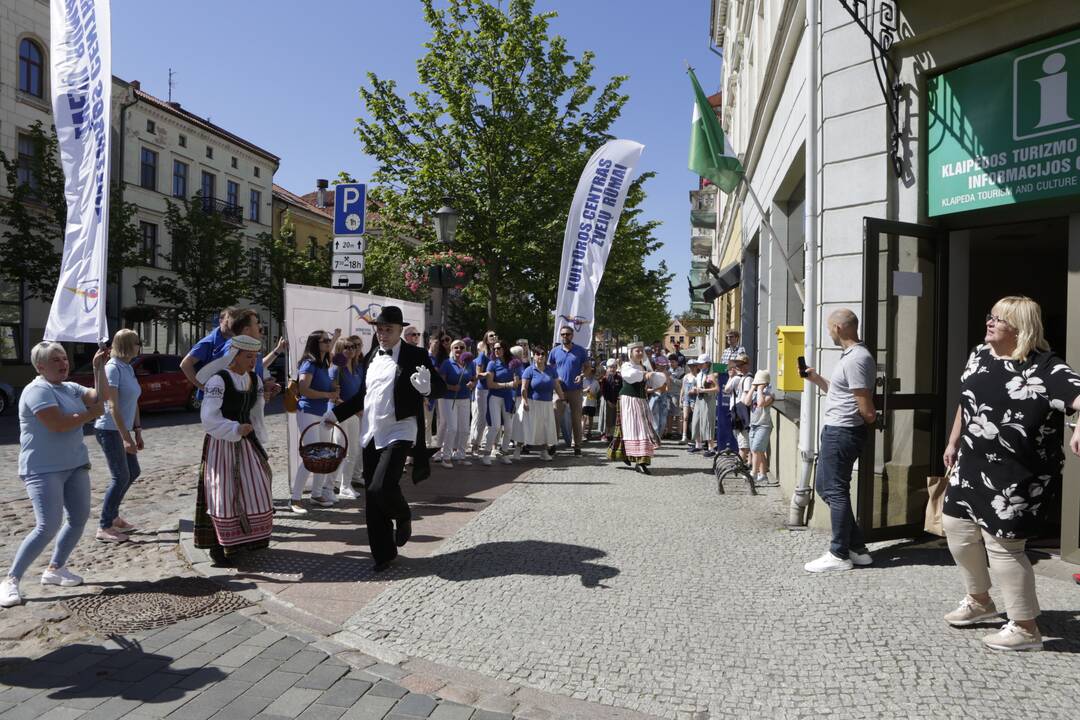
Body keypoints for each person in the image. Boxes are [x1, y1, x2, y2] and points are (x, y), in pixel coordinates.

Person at [940, 296, 1080, 651]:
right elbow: (966, 401)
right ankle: (980, 601)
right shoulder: (979, 355)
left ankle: (1025, 627)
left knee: (1003, 546)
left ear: (1021, 328)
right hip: (971, 465)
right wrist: (953, 441)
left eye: (999, 319)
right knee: (956, 528)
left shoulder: (1046, 368)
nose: (989, 323)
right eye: (990, 316)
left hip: (1018, 474)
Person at [326, 306, 446, 572]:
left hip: (400, 429)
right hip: (371, 430)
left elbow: (440, 386)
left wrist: (426, 388)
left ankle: (403, 515)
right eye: (379, 329)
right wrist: (335, 414)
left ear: (400, 330)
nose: (382, 334)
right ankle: (383, 554)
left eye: (388, 329)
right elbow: (362, 398)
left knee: (382, 487)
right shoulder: (371, 355)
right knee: (372, 496)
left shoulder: (416, 354)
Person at [1, 343, 107, 608]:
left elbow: (101, 398)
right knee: (47, 525)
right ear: (40, 367)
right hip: (42, 468)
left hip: (74, 464)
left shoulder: (69, 387)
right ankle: (10, 580)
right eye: (55, 360)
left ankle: (55, 569)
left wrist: (98, 368)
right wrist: (88, 415)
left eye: (64, 358)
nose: (63, 363)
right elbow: (57, 424)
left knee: (79, 518)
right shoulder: (37, 390)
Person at [803, 308, 877, 573]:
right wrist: (816, 379)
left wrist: (870, 419)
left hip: (843, 431)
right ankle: (857, 548)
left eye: (828, 327)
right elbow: (842, 392)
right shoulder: (850, 356)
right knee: (826, 488)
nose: (828, 332)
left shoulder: (857, 358)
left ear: (837, 328)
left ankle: (838, 553)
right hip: (837, 429)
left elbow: (864, 404)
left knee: (835, 490)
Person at [194, 336, 272, 566]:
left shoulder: (253, 379)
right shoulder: (218, 381)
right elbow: (208, 417)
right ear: (233, 355)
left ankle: (247, 539)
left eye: (255, 356)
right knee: (223, 491)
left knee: (256, 484)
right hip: (222, 442)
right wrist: (235, 428)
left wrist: (256, 433)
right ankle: (221, 547)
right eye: (248, 356)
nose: (253, 361)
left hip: (246, 441)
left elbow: (256, 411)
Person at [94, 329, 143, 544]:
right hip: (110, 429)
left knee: (133, 471)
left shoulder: (128, 368)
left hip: (123, 429)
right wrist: (126, 437)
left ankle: (113, 516)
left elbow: (134, 401)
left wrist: (137, 430)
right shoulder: (112, 368)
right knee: (120, 476)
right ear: (125, 345)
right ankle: (104, 525)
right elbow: (112, 405)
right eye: (136, 342)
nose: (139, 345)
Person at [291, 330, 340, 513]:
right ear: (315, 344)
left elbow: (330, 352)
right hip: (308, 412)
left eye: (329, 341)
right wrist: (329, 394)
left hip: (322, 413)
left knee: (324, 455)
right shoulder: (309, 363)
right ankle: (295, 499)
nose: (329, 343)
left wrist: (334, 391)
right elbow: (303, 389)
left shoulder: (323, 363)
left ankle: (316, 494)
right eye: (325, 341)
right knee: (312, 455)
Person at [608, 342, 660, 474]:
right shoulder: (627, 365)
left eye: (642, 351)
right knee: (632, 429)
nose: (640, 353)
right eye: (637, 351)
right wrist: (644, 374)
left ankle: (638, 460)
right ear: (631, 352)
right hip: (629, 400)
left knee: (639, 429)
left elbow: (652, 379)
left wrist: (656, 379)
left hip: (641, 400)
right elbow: (630, 377)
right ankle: (637, 460)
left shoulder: (643, 365)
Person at [329, 336, 364, 499]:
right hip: (341, 414)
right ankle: (333, 485)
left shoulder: (358, 368)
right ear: (340, 350)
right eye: (347, 347)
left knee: (354, 449)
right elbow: (333, 396)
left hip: (355, 414)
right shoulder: (336, 369)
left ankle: (345, 484)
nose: (351, 350)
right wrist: (353, 409)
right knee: (341, 449)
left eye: (353, 347)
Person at [550, 326, 591, 456]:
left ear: (572, 335)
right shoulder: (555, 351)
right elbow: (550, 368)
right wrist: (555, 378)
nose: (565, 336)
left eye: (567, 334)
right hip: (559, 390)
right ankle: (553, 444)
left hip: (575, 390)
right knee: (555, 417)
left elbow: (588, 368)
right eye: (562, 334)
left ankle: (577, 445)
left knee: (576, 419)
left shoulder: (580, 350)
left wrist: (582, 376)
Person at [437, 339, 475, 468]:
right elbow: (441, 383)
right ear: (452, 350)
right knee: (452, 428)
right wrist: (452, 387)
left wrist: (472, 384)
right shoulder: (447, 363)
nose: (459, 350)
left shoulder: (470, 363)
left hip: (465, 398)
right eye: (456, 348)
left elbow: (473, 379)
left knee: (464, 429)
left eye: (462, 347)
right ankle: (446, 457)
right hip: (449, 399)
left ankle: (461, 455)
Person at [521, 346, 563, 461]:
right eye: (537, 354)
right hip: (532, 403)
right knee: (531, 428)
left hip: (547, 403)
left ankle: (544, 452)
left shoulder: (551, 370)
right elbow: (524, 387)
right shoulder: (529, 370)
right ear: (533, 356)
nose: (540, 356)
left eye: (543, 354)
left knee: (545, 428)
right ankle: (520, 448)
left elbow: (557, 385)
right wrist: (524, 401)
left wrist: (563, 398)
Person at [482, 341, 518, 466]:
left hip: (508, 398)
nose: (496, 350)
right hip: (495, 398)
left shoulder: (512, 363)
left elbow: (516, 381)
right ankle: (486, 453)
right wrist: (507, 384)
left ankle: (504, 452)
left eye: (499, 348)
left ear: (504, 349)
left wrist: (516, 379)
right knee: (496, 426)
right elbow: (490, 384)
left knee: (509, 428)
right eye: (495, 348)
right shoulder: (492, 364)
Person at [744, 369, 775, 487]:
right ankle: (763, 475)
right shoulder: (756, 393)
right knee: (758, 451)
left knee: (756, 449)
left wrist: (761, 389)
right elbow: (746, 402)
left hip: (764, 425)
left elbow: (761, 403)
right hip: (754, 425)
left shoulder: (770, 395)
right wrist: (753, 388)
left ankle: (754, 474)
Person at [469, 330, 498, 454]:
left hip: (494, 389)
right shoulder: (482, 355)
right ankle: (475, 445)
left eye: (495, 335)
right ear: (486, 339)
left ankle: (493, 446)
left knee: (493, 419)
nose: (494, 337)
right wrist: (487, 373)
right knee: (481, 419)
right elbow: (477, 375)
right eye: (491, 335)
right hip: (482, 390)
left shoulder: (497, 355)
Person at [723, 354, 752, 459]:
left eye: (740, 364)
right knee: (741, 440)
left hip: (742, 411)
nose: (738, 367)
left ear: (746, 365)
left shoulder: (745, 378)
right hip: (738, 410)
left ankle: (743, 464)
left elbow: (746, 399)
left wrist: (731, 377)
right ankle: (748, 463)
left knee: (743, 442)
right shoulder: (742, 377)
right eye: (737, 364)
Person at [691, 355, 719, 457]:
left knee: (708, 422)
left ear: (707, 363)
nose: (699, 365)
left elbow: (717, 389)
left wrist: (703, 390)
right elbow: (698, 387)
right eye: (699, 364)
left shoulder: (711, 375)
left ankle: (711, 448)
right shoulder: (699, 375)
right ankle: (698, 445)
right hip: (699, 399)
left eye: (701, 363)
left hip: (708, 400)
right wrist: (695, 389)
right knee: (696, 421)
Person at [647, 355, 671, 440]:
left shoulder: (666, 374)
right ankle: (655, 438)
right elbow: (647, 389)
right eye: (661, 365)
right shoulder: (652, 374)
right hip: (654, 397)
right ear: (656, 365)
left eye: (664, 365)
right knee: (654, 420)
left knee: (663, 420)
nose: (663, 366)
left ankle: (658, 437)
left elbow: (668, 388)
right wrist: (656, 390)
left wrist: (666, 378)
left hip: (664, 397)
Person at [598, 359, 621, 442]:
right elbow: (603, 391)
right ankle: (604, 434)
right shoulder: (604, 378)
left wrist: (617, 400)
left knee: (614, 418)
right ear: (607, 368)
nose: (612, 369)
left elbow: (620, 389)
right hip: (606, 401)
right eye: (610, 367)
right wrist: (608, 401)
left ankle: (612, 434)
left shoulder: (619, 378)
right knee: (606, 417)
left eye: (614, 367)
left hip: (616, 401)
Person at [681, 359, 698, 448]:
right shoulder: (686, 376)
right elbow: (683, 388)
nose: (691, 368)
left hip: (694, 398)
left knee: (695, 418)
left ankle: (695, 437)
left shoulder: (698, 376)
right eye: (690, 366)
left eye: (693, 366)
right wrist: (681, 398)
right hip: (686, 398)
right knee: (685, 417)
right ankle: (684, 436)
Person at [582, 367, 600, 441]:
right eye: (590, 372)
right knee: (584, 417)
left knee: (591, 418)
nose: (591, 374)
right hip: (584, 402)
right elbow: (580, 391)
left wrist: (595, 394)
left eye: (592, 373)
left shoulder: (595, 382)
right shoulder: (583, 381)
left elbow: (598, 392)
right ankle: (582, 433)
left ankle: (589, 432)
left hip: (592, 402)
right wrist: (585, 390)